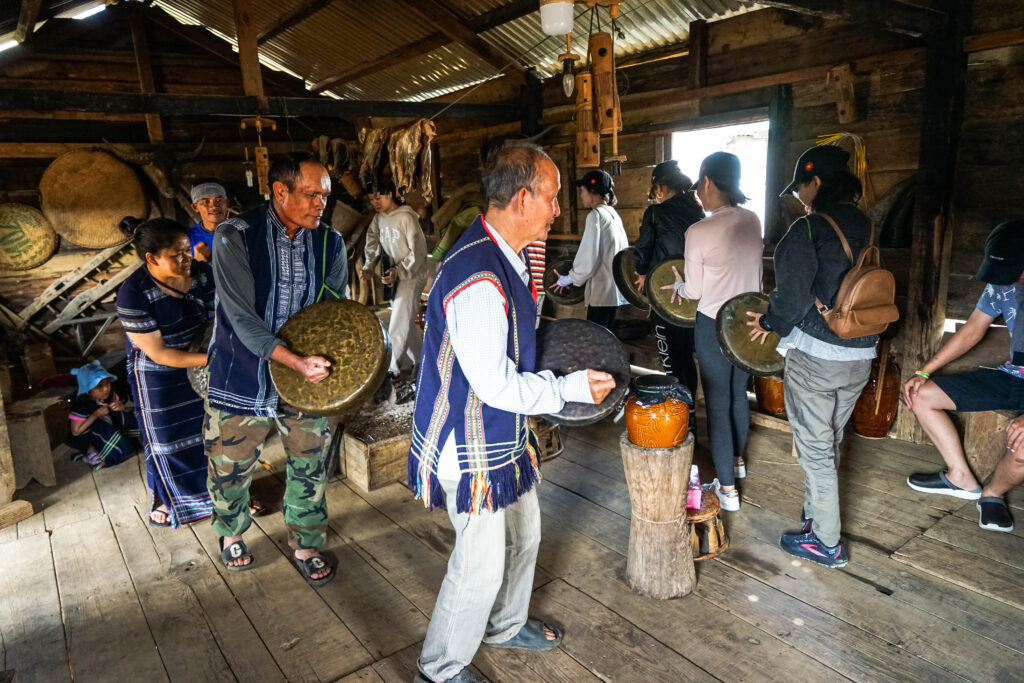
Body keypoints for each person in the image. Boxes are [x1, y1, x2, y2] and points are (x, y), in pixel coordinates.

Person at [408, 143, 616, 683]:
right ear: (523, 198)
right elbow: (495, 384)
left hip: (503, 438)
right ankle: (439, 669)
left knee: (526, 535)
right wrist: (566, 387)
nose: (556, 211)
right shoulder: (477, 273)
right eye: (550, 199)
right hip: (469, 438)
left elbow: (521, 338)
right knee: (478, 566)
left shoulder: (513, 253)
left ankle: (504, 624)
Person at [205, 152, 348, 586]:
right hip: (240, 370)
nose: (320, 204)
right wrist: (293, 359)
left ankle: (306, 540)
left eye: (325, 195)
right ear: (279, 191)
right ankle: (231, 532)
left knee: (309, 464)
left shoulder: (329, 243)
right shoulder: (235, 236)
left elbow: (333, 311)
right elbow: (241, 317)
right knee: (230, 464)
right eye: (310, 194)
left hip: (302, 380)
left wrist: (326, 362)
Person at [747, 145, 878, 568]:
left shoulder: (807, 229)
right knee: (830, 439)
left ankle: (826, 543)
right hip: (860, 352)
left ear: (816, 182)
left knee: (815, 448)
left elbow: (791, 297)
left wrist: (769, 323)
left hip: (818, 354)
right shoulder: (866, 226)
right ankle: (815, 514)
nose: (800, 195)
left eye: (802, 186)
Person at [903, 220, 1024, 533]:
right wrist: (923, 371)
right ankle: (961, 478)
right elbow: (973, 329)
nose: (1005, 281)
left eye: (1013, 271)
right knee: (922, 395)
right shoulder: (1002, 282)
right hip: (1012, 378)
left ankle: (992, 493)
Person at [665, 152, 763, 511]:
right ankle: (736, 463)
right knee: (738, 394)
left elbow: (693, 291)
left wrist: (677, 287)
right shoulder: (752, 220)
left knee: (717, 406)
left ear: (706, 180)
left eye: (699, 188)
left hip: (713, 323)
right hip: (748, 320)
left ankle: (727, 490)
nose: (698, 196)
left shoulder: (699, 230)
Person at [116, 216, 215, 528]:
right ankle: (171, 498)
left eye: (188, 250)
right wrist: (214, 360)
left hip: (201, 355)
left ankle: (223, 495)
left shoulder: (200, 274)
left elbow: (221, 313)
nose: (188, 258)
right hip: (157, 370)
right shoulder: (133, 293)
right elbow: (159, 352)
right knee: (165, 437)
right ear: (152, 258)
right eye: (177, 254)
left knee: (208, 431)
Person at [633, 160, 706, 394]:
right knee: (686, 355)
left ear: (661, 186)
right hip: (695, 295)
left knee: (671, 359)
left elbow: (643, 249)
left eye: (655, 190)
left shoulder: (656, 213)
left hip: (665, 293)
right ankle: (691, 414)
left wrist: (641, 272)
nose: (655, 195)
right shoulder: (699, 211)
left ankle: (680, 416)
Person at [360, 182, 428, 384]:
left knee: (398, 321)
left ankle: (390, 370)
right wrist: (369, 265)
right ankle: (422, 359)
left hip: (411, 275)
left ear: (389, 194)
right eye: (371, 199)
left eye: (378, 198)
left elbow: (418, 251)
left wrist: (400, 270)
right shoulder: (379, 219)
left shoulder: (407, 218)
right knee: (404, 318)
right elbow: (372, 241)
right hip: (392, 275)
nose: (375, 203)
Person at [549, 169, 628, 330]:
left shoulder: (596, 216)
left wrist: (568, 278)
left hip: (601, 293)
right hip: (615, 292)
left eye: (582, 191)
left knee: (596, 343)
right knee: (607, 340)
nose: (581, 196)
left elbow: (588, 258)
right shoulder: (613, 215)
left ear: (593, 192)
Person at [67, 360, 139, 470]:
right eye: (99, 386)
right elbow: (76, 431)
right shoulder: (81, 405)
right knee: (101, 424)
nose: (106, 389)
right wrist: (95, 415)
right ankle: (95, 452)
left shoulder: (109, 395)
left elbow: (120, 408)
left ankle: (127, 442)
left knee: (125, 416)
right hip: (87, 437)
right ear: (88, 390)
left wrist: (120, 407)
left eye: (107, 384)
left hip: (106, 427)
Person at [188, 181, 229, 262]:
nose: (214, 206)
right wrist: (197, 262)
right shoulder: (188, 238)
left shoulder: (241, 231)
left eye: (219, 200)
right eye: (206, 201)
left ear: (226, 203)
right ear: (195, 207)